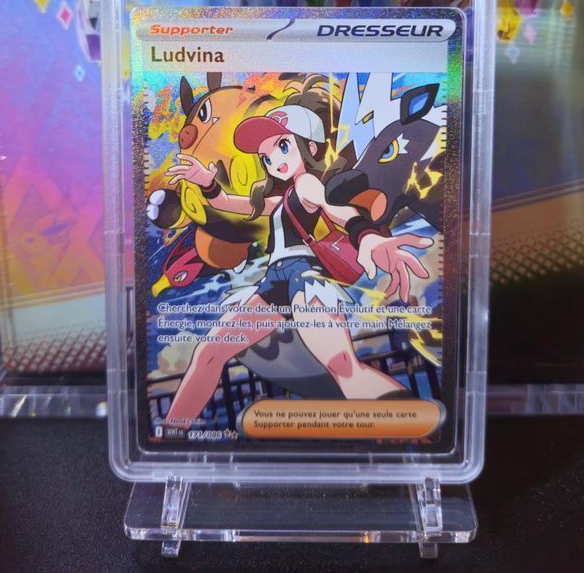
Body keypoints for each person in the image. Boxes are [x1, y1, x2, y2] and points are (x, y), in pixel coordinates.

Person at [164, 77, 432, 425]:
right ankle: (172, 431)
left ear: (311, 147)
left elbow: (336, 210)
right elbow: (232, 204)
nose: (274, 160)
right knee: (210, 352)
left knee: (343, 367)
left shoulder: (307, 184)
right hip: (272, 284)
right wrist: (207, 183)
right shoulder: (282, 198)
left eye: (283, 146)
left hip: (303, 278)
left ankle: (415, 426)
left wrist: (366, 235)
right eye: (266, 156)